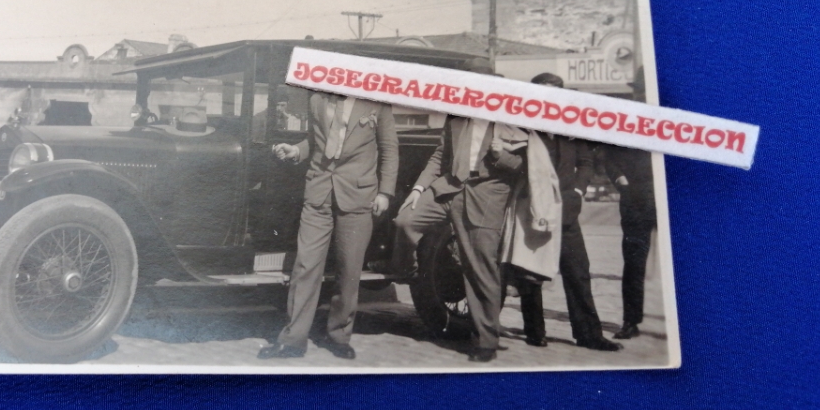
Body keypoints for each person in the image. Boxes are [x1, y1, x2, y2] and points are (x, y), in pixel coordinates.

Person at [257, 91, 398, 360]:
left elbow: (390, 149)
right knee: (305, 265)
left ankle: (338, 336)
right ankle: (293, 340)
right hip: (319, 192)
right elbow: (316, 140)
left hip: (358, 196)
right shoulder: (317, 101)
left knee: (349, 268)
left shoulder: (377, 104)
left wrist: (385, 193)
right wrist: (297, 150)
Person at [392, 113, 528, 362]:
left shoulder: (510, 120)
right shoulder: (455, 118)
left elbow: (523, 166)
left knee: (480, 266)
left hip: (487, 193)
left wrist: (501, 156)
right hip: (449, 186)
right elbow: (439, 156)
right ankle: (408, 273)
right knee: (405, 221)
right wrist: (418, 189)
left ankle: (486, 341)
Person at [513, 73, 621, 352]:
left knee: (578, 271)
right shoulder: (523, 125)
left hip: (567, 210)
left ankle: (589, 334)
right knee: (531, 272)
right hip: (533, 208)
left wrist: (578, 191)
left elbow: (586, 162)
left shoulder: (569, 124)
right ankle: (535, 331)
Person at [599, 143, 656, 339]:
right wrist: (621, 180)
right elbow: (608, 158)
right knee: (634, 263)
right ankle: (631, 321)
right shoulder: (623, 126)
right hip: (636, 197)